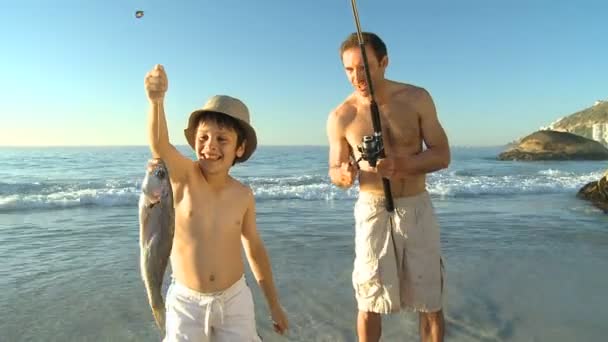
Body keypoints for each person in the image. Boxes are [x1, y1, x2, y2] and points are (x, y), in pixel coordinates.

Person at [144, 64, 288, 341]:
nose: (210, 145)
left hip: (234, 300)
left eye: (222, 139)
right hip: (186, 301)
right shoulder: (185, 177)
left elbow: (255, 249)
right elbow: (159, 145)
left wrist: (274, 304)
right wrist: (156, 102)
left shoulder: (243, 195)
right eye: (203, 138)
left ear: (240, 148)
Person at [326, 32, 450, 342]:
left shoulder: (416, 98)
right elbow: (335, 171)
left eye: (364, 67)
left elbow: (442, 154)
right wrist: (343, 175)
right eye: (349, 69)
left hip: (416, 207)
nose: (357, 77)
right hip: (371, 209)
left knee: (430, 301)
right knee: (368, 301)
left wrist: (401, 165)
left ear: (384, 62)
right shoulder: (341, 116)